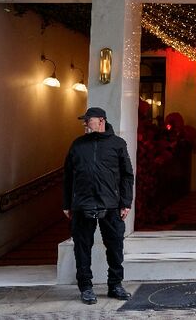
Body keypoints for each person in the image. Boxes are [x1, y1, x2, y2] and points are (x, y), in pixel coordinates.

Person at [63, 107, 135, 305]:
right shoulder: (77, 145)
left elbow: (127, 175)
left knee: (114, 246)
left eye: (88, 120)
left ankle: (115, 285)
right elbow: (68, 175)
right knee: (82, 247)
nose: (85, 123)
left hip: (111, 205)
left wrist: (126, 202)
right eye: (84, 120)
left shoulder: (117, 144)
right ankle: (86, 287)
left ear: (101, 120)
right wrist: (67, 203)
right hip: (82, 205)